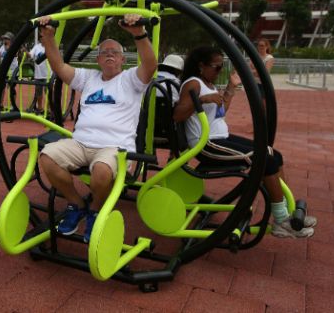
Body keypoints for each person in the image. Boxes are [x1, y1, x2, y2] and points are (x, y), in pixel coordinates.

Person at [172, 46, 317, 239]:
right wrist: (202, 99)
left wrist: (231, 87)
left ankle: (287, 213)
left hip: (220, 138)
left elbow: (219, 113)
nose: (220, 71)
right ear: (201, 66)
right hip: (206, 145)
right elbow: (177, 115)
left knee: (274, 154)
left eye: (222, 67)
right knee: (266, 160)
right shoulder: (193, 84)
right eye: (217, 67)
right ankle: (281, 220)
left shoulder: (209, 83)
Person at [37, 14, 157, 242]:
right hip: (81, 143)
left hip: (114, 147)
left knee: (101, 172)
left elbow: (150, 64)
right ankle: (77, 203)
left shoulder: (132, 79)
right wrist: (48, 38)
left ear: (123, 59)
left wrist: (139, 34)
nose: (109, 55)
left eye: (115, 53)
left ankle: (96, 209)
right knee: (47, 157)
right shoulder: (88, 78)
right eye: (104, 52)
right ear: (98, 60)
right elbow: (59, 66)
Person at [0, 32, 20, 109]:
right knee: (1, 88)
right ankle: (0, 104)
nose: (4, 40)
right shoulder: (2, 47)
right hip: (4, 71)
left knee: (11, 88)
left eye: (6, 39)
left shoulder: (15, 46)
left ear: (11, 40)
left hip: (13, 72)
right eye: (4, 38)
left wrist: (8, 48)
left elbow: (14, 54)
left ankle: (13, 105)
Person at [26, 34, 48, 113]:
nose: (42, 38)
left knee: (48, 93)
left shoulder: (50, 46)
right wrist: (25, 52)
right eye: (41, 37)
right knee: (39, 93)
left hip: (48, 74)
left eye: (44, 37)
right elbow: (30, 55)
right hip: (38, 74)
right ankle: (40, 108)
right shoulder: (37, 47)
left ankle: (49, 109)